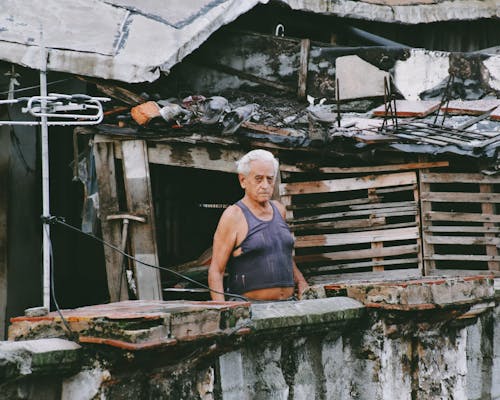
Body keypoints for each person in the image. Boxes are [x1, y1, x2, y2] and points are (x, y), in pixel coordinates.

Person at [208, 149, 309, 301]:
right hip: (250, 309)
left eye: (270, 179)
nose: (265, 185)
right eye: (258, 179)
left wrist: (300, 280)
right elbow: (216, 270)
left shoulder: (279, 209)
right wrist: (223, 313)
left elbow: (282, 253)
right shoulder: (234, 215)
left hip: (288, 305)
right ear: (243, 181)